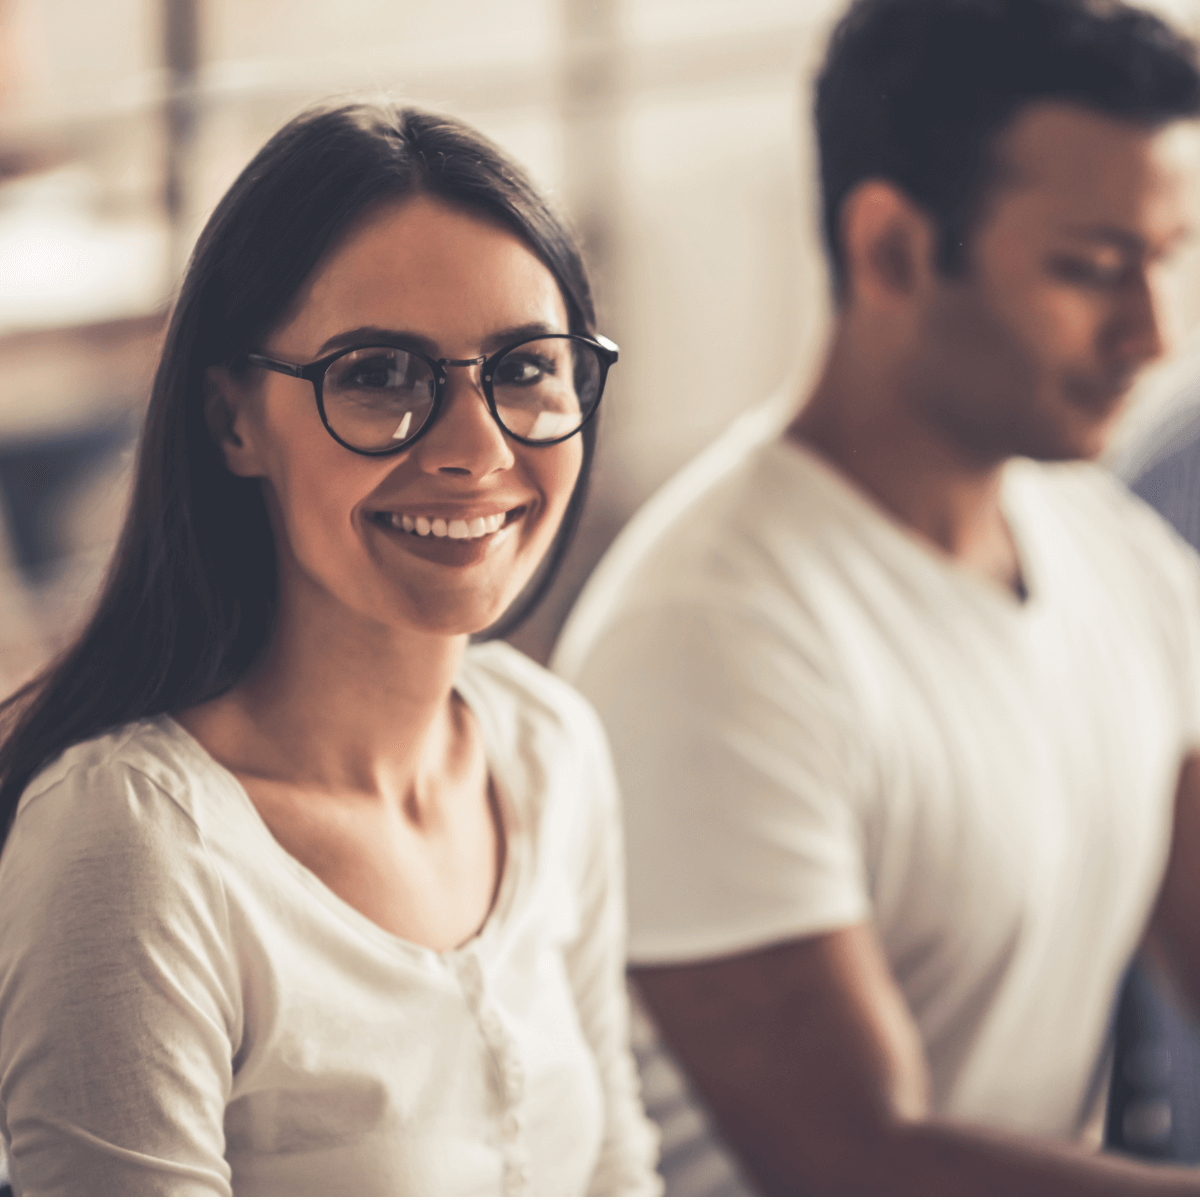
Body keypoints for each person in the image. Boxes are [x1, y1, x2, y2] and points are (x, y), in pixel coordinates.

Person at [553, 0, 1200, 1192]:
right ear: (892, 246)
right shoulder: (709, 632)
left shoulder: (1125, 565)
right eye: (1094, 269)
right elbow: (858, 1165)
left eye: (1167, 258)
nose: (1153, 333)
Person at [0, 100, 660, 1197]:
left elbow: (615, 1173)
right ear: (232, 422)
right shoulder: (133, 848)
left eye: (526, 367)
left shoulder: (549, 748)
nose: (478, 449)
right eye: (379, 375)